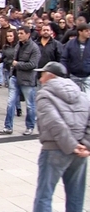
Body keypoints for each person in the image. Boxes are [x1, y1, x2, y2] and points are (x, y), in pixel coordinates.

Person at [32, 61, 90, 212]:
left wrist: (72, 146)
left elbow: (54, 123)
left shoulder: (44, 95)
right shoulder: (82, 95)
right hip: (80, 151)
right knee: (76, 195)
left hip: (55, 149)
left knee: (44, 194)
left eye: (42, 75)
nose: (40, 79)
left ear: (51, 76)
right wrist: (85, 145)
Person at [0, 26, 41, 136]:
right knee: (10, 103)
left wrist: (18, 64)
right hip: (15, 77)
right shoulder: (18, 45)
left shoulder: (34, 48)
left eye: (21, 33)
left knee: (30, 104)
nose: (19, 35)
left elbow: (33, 64)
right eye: (19, 33)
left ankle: (30, 127)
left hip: (27, 80)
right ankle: (8, 127)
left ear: (28, 34)